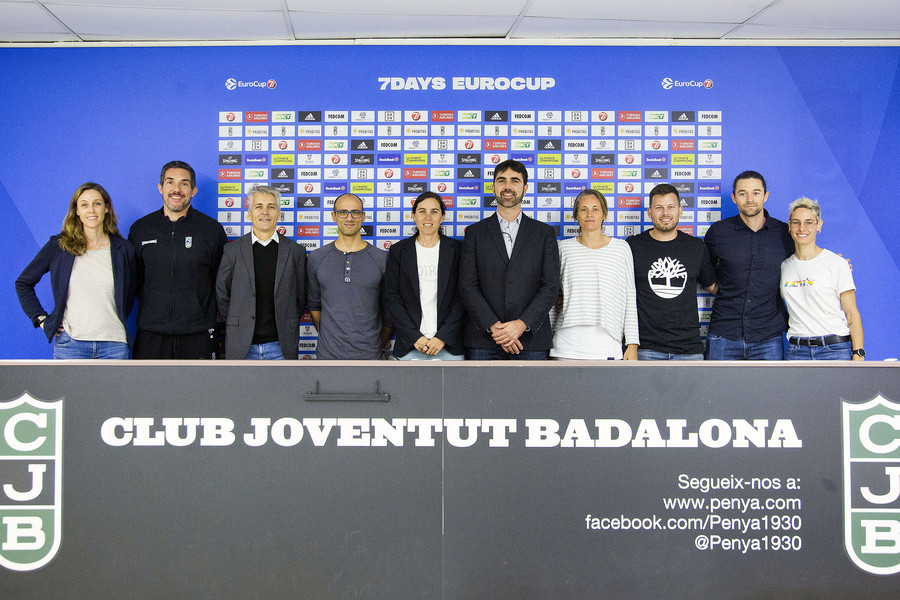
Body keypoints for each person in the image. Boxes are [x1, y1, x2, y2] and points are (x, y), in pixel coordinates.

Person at [15, 182, 136, 359]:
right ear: (77, 211)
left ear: (107, 208)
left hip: (114, 345)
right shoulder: (59, 247)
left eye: (97, 203)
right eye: (84, 204)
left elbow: (130, 293)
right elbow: (23, 283)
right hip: (71, 345)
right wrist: (41, 320)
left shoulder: (125, 250)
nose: (91, 210)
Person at [459, 159, 559, 360]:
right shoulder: (475, 233)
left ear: (525, 187)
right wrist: (494, 327)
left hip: (530, 340)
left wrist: (521, 325)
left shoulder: (544, 233)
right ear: (494, 187)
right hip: (484, 340)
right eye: (501, 180)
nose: (507, 186)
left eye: (515, 180)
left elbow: (550, 287)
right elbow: (467, 285)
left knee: (530, 393)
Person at [128, 160, 227, 359]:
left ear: (193, 191)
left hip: (198, 333)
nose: (176, 189)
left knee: (200, 391)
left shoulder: (211, 230)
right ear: (160, 188)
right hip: (151, 334)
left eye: (184, 184)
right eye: (170, 182)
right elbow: (133, 281)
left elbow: (221, 282)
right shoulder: (140, 229)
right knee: (149, 391)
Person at [704, 171, 794, 360]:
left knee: (769, 390)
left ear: (765, 195)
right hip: (724, 332)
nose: (750, 199)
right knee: (717, 390)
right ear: (734, 198)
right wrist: (722, 291)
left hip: (768, 335)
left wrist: (835, 263)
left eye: (755, 192)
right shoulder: (719, 232)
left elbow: (806, 261)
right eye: (743, 193)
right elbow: (704, 270)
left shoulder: (784, 234)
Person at [215, 186, 307, 360]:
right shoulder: (232, 251)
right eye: (258, 206)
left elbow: (300, 298)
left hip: (281, 346)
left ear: (278, 213)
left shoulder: (296, 252)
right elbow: (222, 294)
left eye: (271, 207)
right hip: (241, 344)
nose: (265, 212)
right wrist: (239, 321)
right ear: (249, 213)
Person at [627, 183, 717, 360]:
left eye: (671, 207)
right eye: (659, 208)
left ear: (680, 210)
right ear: (649, 212)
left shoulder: (696, 247)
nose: (665, 213)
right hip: (645, 349)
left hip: (689, 349)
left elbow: (714, 287)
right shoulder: (633, 246)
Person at [552, 188, 638, 360]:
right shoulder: (563, 249)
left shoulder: (621, 249)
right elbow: (551, 298)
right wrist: (546, 341)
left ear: (604, 214)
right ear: (576, 215)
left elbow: (629, 296)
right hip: (565, 346)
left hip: (607, 346)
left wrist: (632, 344)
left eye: (595, 209)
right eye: (583, 209)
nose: (589, 214)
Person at [306, 193, 390, 359]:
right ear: (334, 216)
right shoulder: (316, 257)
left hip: (370, 356)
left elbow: (389, 311)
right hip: (327, 356)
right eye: (343, 212)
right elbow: (314, 306)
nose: (349, 218)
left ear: (363, 216)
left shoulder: (382, 259)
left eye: (355, 212)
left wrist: (374, 344)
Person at [383, 191, 465, 360]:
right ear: (413, 216)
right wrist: (415, 337)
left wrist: (443, 337)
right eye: (422, 211)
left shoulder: (458, 250)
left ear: (442, 217)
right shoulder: (399, 251)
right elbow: (392, 298)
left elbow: (463, 298)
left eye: (434, 212)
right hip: (410, 345)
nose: (428, 217)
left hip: (449, 346)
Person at [780, 198, 864, 360]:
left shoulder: (836, 263)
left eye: (809, 223)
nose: (802, 228)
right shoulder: (784, 266)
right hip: (797, 351)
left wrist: (858, 352)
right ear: (789, 226)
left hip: (835, 349)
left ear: (819, 225)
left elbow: (852, 313)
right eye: (796, 222)